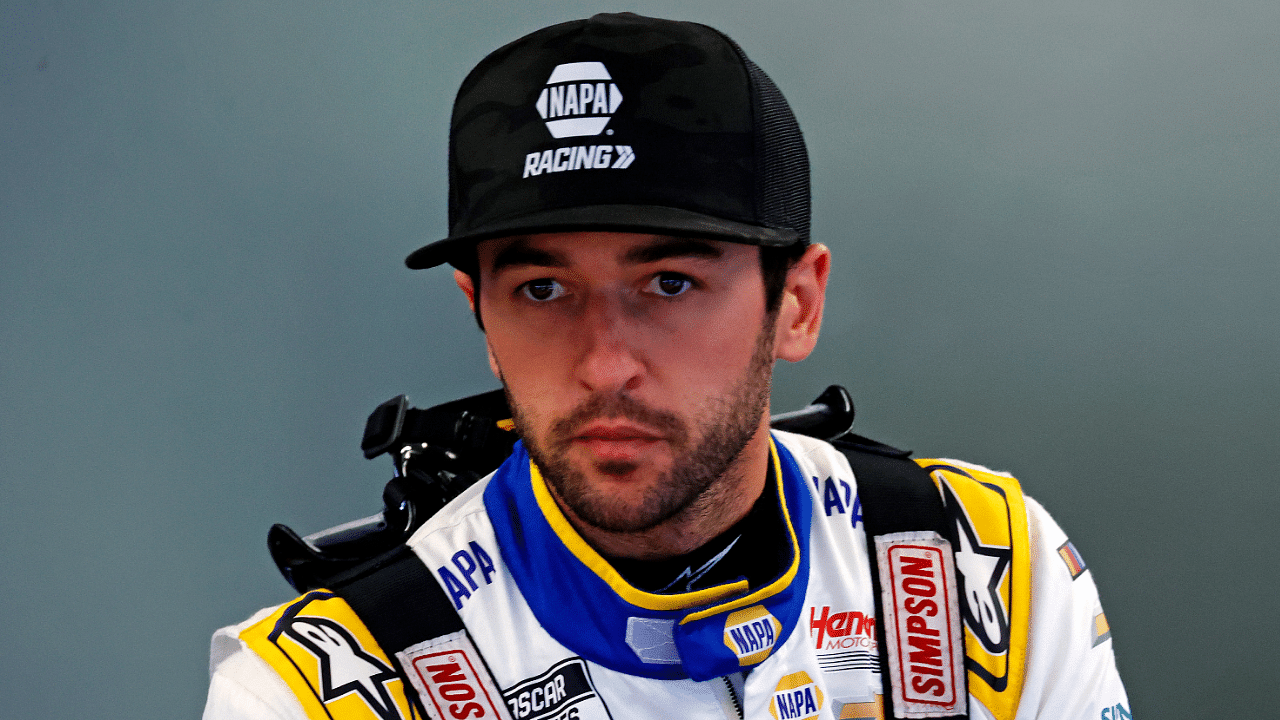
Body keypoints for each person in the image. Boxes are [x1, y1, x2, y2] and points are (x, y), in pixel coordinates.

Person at [203, 12, 1130, 720]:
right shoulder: (312, 694)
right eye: (541, 291)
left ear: (796, 304)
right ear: (479, 314)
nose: (606, 363)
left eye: (671, 283)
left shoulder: (982, 563)